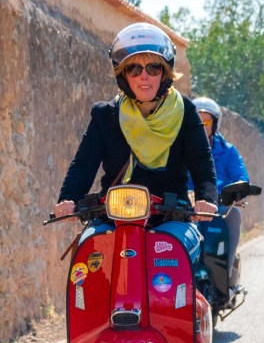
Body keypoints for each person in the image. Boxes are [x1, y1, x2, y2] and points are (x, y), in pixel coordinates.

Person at [54, 22, 217, 258]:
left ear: (164, 72)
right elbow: (83, 164)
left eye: (153, 68)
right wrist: (68, 199)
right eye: (134, 69)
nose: (144, 76)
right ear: (123, 75)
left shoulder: (186, 112)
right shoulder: (105, 115)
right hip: (113, 219)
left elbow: (202, 162)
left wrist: (206, 200)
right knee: (89, 256)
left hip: (170, 219)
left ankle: (185, 297)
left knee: (173, 255)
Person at [192, 96, 249, 287]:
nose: (202, 125)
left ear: (215, 124)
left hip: (220, 206)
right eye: (197, 120)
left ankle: (227, 266)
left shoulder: (228, 151)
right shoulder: (182, 148)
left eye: (206, 121)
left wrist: (238, 192)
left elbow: (240, 176)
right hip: (190, 208)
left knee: (235, 216)